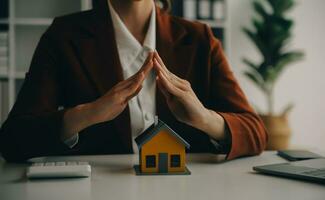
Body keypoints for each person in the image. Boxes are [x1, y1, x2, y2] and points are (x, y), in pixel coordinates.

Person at [0, 0, 267, 162]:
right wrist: (87, 114)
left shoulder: (200, 38)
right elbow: (13, 140)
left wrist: (204, 119)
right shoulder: (62, 36)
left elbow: (256, 133)